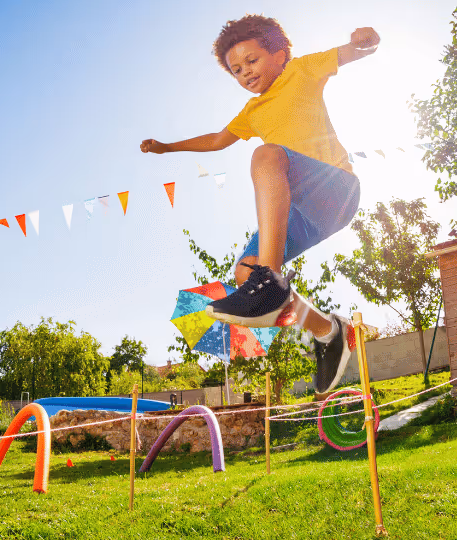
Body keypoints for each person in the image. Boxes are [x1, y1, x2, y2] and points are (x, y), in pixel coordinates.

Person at [140, 15, 379, 393]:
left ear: (279, 54)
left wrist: (365, 40)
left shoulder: (301, 70)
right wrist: (167, 147)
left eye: (251, 61)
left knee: (266, 157)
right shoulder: (252, 111)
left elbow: (352, 52)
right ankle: (329, 331)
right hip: (303, 211)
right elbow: (218, 139)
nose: (245, 73)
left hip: (335, 188)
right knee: (244, 274)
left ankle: (270, 282)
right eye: (236, 69)